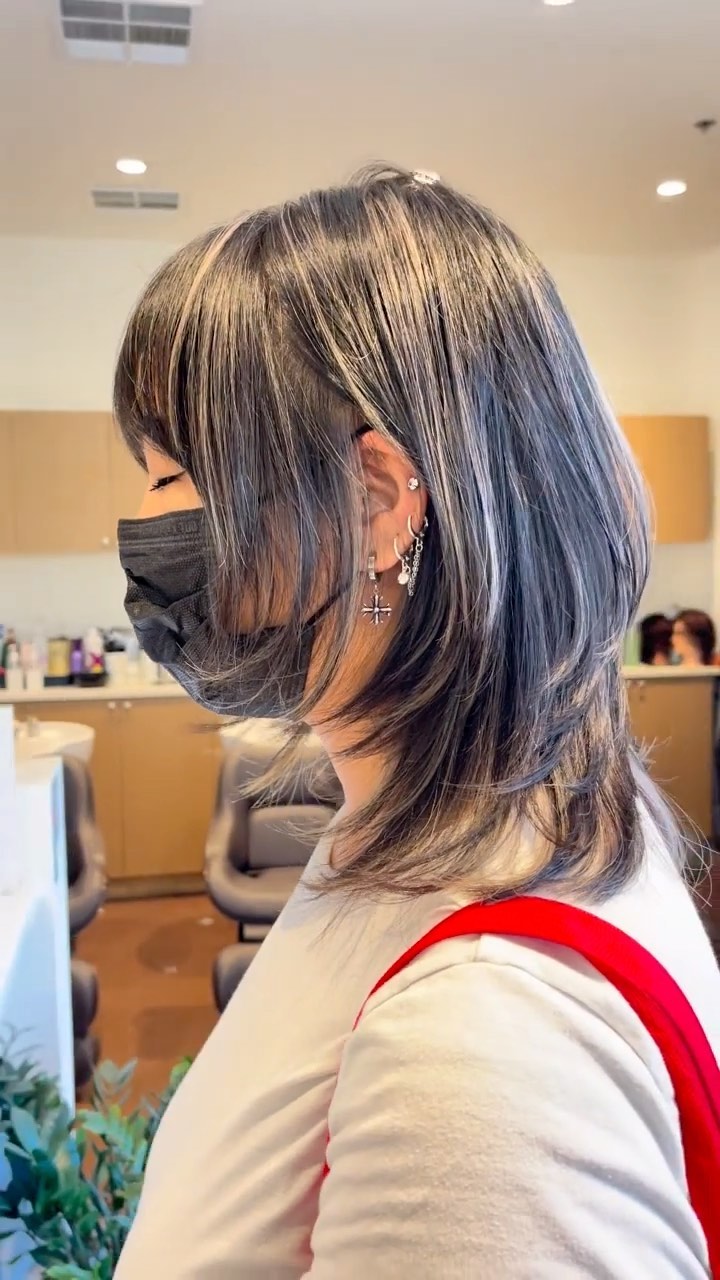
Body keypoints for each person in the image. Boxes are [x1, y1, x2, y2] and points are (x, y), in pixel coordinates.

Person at [113, 167, 720, 1279]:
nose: (147, 520)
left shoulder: (481, 1047)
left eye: (176, 473)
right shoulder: (495, 813)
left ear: (379, 501)